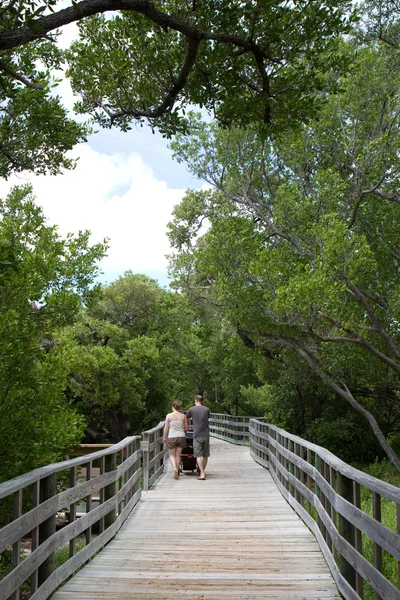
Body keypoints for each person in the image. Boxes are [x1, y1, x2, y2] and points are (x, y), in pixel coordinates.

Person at [186, 395, 210, 480]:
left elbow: (186, 417)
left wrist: (187, 426)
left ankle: (202, 473)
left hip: (197, 434)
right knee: (205, 455)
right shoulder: (207, 409)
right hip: (206, 434)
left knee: (198, 455)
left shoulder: (192, 409)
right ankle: (202, 471)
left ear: (196, 400)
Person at [163, 400, 189, 480]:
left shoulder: (169, 416)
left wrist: (164, 437)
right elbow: (186, 428)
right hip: (181, 436)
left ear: (173, 407)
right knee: (178, 455)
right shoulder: (183, 416)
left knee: (172, 455)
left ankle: (175, 468)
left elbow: (166, 427)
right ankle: (177, 470)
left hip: (172, 437)